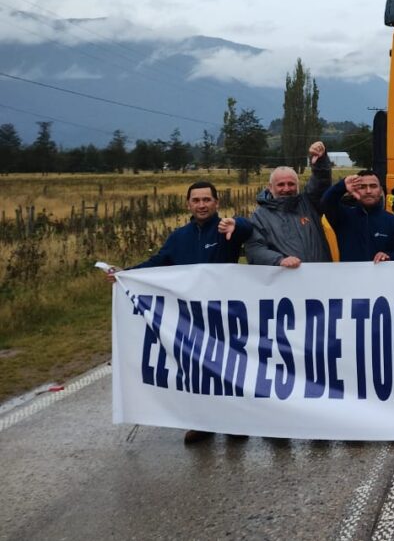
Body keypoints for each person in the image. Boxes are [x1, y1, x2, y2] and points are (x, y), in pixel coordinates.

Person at [105, 180, 251, 445]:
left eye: (207, 200)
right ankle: (202, 423)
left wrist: (236, 224)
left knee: (227, 369)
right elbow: (157, 263)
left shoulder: (225, 231)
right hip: (189, 318)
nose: (201, 205)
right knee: (194, 370)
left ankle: (234, 422)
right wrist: (125, 274)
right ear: (188, 204)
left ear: (216, 203)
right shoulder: (178, 237)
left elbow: (248, 230)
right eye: (196, 200)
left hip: (222, 315)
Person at [246, 142, 333, 268]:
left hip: (320, 278)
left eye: (291, 184)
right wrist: (279, 260)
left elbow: (321, 181)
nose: (286, 189)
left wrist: (321, 160)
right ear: (270, 187)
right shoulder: (260, 216)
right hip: (284, 281)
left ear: (297, 185)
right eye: (281, 184)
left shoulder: (310, 203)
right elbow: (254, 248)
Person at [322, 170, 394, 262]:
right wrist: (342, 186)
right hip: (349, 275)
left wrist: (388, 256)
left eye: (373, 186)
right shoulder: (343, 216)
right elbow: (326, 202)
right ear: (355, 190)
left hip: (382, 276)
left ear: (381, 190)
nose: (368, 191)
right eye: (362, 187)